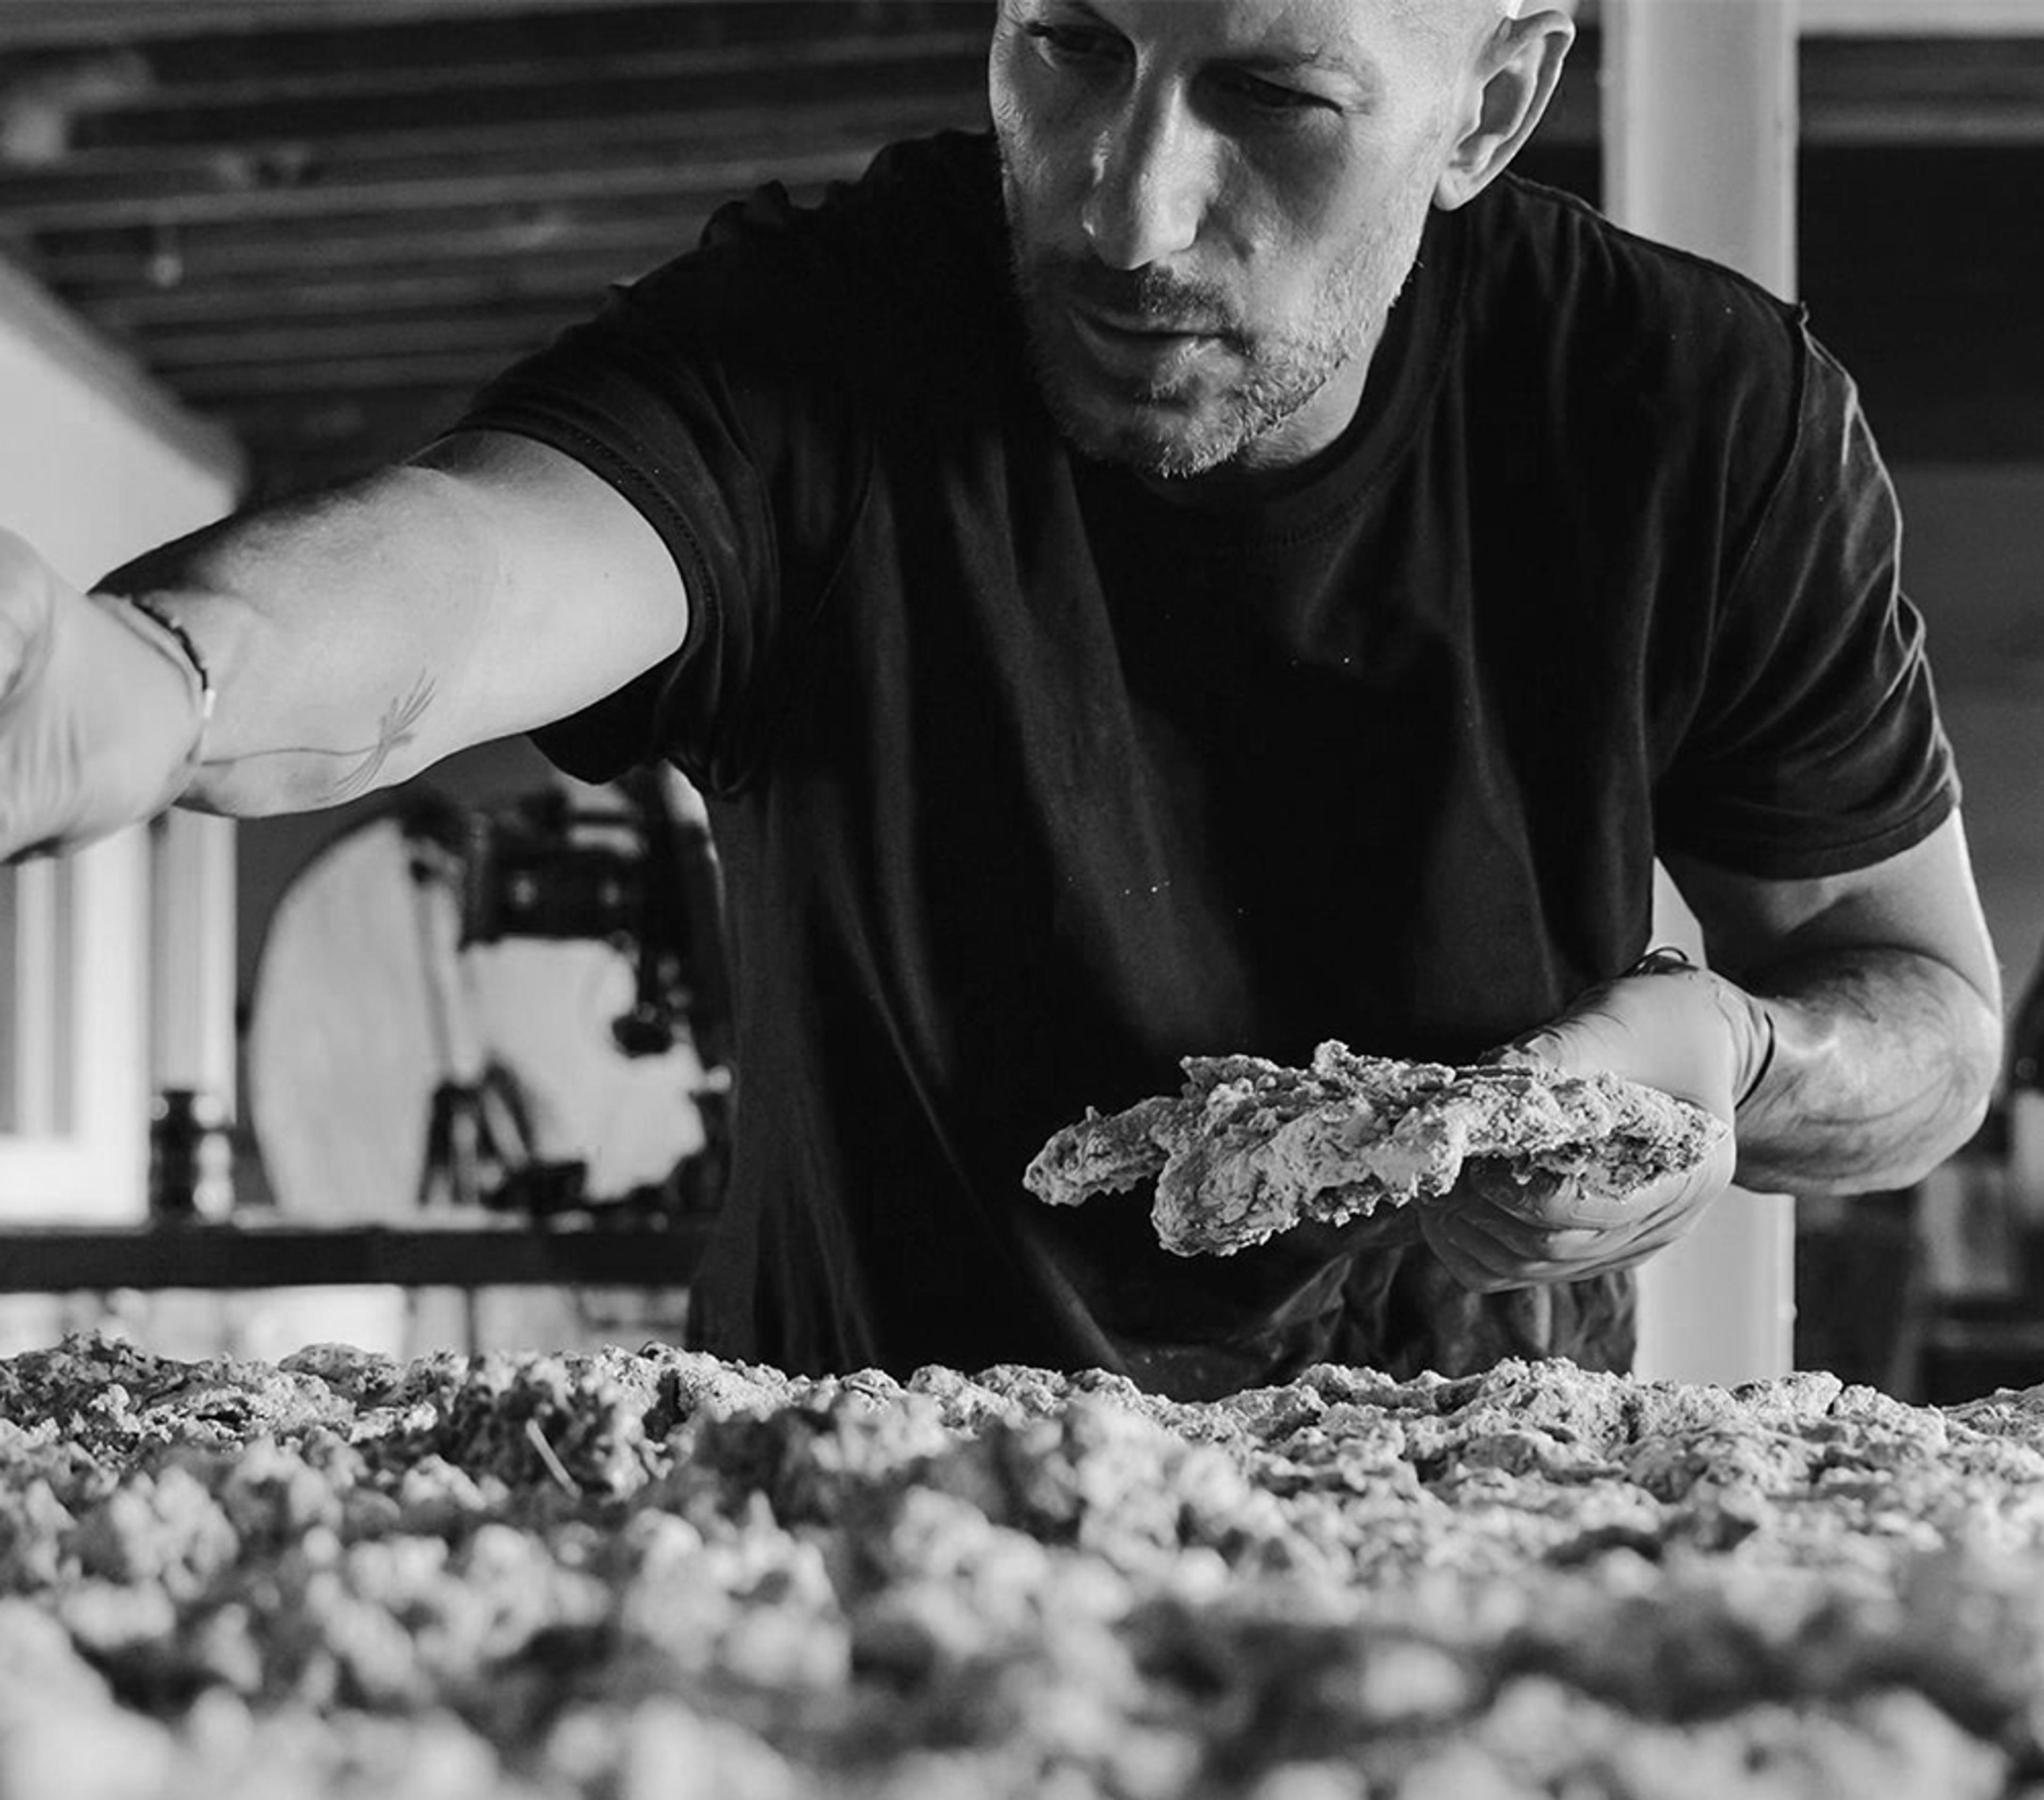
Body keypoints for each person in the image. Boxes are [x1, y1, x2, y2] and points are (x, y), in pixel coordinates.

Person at [0, 0, 2003, 1394]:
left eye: (1274, 99)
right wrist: (156, 681)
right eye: (1071, 48)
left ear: (1487, 109)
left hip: (1450, 1524)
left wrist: (1731, 1063)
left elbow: (1925, 1017)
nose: (1127, 209)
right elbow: (482, 565)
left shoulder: (1692, 423)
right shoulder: (835, 337)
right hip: (856, 1523)